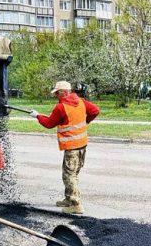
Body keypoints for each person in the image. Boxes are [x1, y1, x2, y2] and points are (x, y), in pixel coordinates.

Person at [28, 80, 99, 214]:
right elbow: (95, 111)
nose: (56, 95)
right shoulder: (81, 101)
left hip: (72, 146)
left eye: (57, 93)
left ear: (64, 92)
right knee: (72, 173)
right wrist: (86, 120)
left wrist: (37, 115)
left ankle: (75, 204)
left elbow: (49, 123)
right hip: (82, 145)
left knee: (69, 176)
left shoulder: (61, 108)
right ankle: (68, 199)